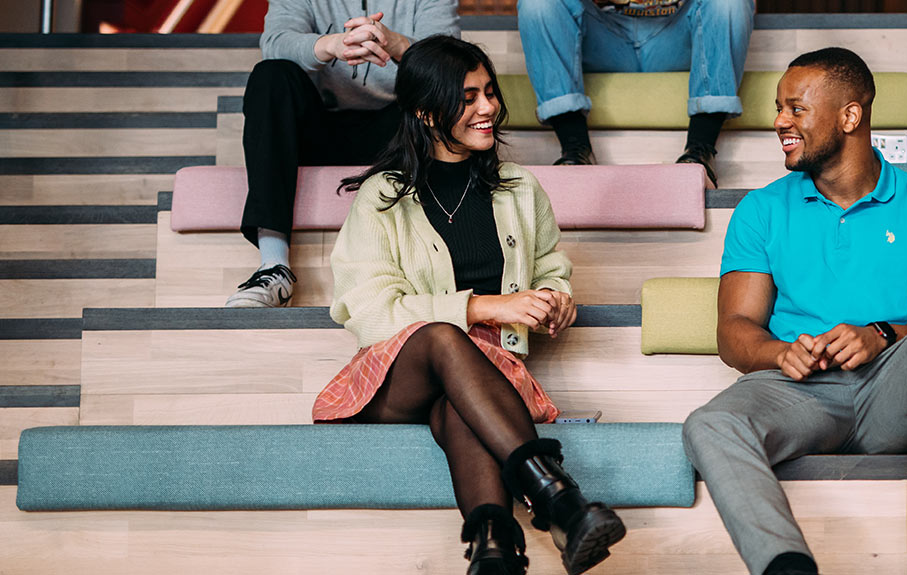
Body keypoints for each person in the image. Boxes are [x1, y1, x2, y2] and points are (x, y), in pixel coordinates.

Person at [315, 36, 624, 575]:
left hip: (485, 378)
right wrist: (483, 307)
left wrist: (556, 297)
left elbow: (551, 264)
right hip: (395, 379)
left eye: (489, 93)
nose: (488, 108)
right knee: (441, 336)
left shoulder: (520, 189)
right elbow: (367, 310)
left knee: (459, 405)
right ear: (426, 110)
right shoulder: (383, 197)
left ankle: (496, 551)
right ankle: (556, 498)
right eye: (468, 97)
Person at [681, 47, 907, 575]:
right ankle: (787, 567)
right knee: (710, 424)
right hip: (799, 392)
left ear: (850, 116)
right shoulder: (761, 208)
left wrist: (881, 334)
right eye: (779, 107)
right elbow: (734, 332)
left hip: (891, 393)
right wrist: (781, 354)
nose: (779, 122)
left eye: (796, 109)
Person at [229, 0, 460, 308]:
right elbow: (275, 42)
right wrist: (334, 44)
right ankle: (274, 267)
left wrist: (395, 43)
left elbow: (451, 64)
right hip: (318, 127)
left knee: (442, 96)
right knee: (270, 75)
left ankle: (435, 266)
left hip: (397, 129)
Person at [515, 0, 755, 185]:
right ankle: (575, 148)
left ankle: (700, 150)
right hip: (603, 33)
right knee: (538, 3)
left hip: (677, 34)